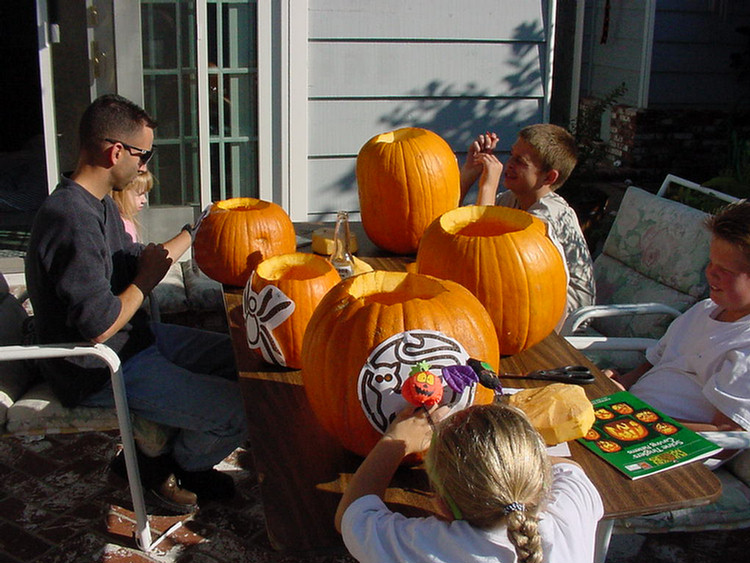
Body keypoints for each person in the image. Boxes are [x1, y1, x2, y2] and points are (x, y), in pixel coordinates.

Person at [25, 94, 247, 510]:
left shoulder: (96, 204)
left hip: (134, 341)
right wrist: (144, 281)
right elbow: (98, 324)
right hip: (94, 367)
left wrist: (194, 231)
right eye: (144, 154)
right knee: (241, 408)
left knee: (241, 359)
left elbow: (131, 267)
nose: (145, 165)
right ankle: (168, 468)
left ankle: (158, 452)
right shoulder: (69, 219)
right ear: (116, 151)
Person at [335, 403, 603, 563]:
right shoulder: (569, 517)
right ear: (539, 480)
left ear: (439, 498)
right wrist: (511, 448)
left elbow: (352, 514)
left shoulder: (428, 549)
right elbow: (571, 470)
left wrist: (395, 441)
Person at [605, 200, 750, 433]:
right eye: (711, 261)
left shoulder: (745, 347)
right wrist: (620, 384)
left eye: (726, 270)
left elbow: (727, 433)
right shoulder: (704, 309)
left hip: (667, 445)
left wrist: (642, 421)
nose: (710, 272)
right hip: (628, 417)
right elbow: (654, 362)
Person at [460, 125, 596, 314]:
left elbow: (483, 253)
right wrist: (469, 173)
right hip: (528, 296)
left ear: (548, 177)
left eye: (520, 161)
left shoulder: (547, 217)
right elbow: (460, 228)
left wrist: (488, 185)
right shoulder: (511, 199)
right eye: (511, 155)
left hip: (564, 313)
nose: (509, 164)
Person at [112, 169, 153, 242]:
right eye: (140, 194)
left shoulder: (125, 222)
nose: (144, 200)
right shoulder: (120, 225)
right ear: (121, 193)